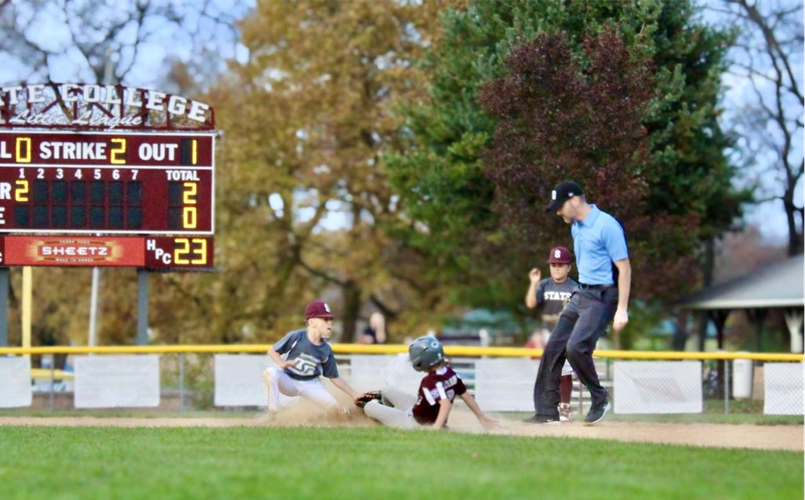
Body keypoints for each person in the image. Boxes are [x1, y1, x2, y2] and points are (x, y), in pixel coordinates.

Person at [524, 181, 630, 426]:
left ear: (574, 201)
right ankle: (547, 411)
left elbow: (624, 269)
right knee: (553, 348)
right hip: (583, 294)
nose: (558, 212)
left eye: (560, 207)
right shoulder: (576, 227)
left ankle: (600, 396)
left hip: (604, 296)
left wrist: (621, 309)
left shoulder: (607, 226)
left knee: (575, 348)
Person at [355, 336, 497, 431]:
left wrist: (436, 428)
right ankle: (387, 413)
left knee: (369, 407)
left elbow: (446, 403)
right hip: (417, 410)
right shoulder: (451, 374)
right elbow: (467, 397)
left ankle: (384, 418)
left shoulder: (429, 381)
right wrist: (481, 417)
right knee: (388, 390)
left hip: (414, 423)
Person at [263, 300, 360, 414]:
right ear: (312, 322)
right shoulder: (297, 336)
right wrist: (281, 363)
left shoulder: (326, 349)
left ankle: (354, 414)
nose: (330, 323)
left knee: (337, 412)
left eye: (330, 320)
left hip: (310, 385)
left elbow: (335, 378)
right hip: (289, 381)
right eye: (325, 319)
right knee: (270, 372)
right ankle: (274, 411)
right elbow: (272, 351)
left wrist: (355, 394)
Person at [525, 246, 578, 422]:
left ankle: (565, 407)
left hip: (567, 335)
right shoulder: (545, 284)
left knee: (564, 372)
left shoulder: (574, 287)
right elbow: (531, 303)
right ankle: (550, 410)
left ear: (569, 267)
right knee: (549, 372)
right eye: (553, 264)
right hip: (548, 333)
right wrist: (533, 282)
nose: (556, 268)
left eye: (561, 264)